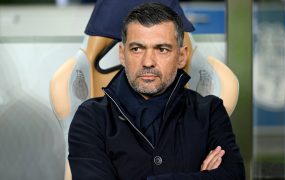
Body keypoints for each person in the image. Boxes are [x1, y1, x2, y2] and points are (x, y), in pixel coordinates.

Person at [68, 2, 245, 180]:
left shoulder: (210, 112)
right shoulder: (90, 117)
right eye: (137, 49)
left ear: (181, 56)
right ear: (122, 54)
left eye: (162, 49)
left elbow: (233, 175)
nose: (148, 62)